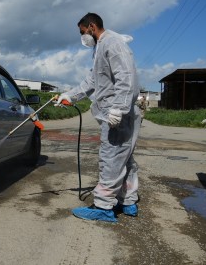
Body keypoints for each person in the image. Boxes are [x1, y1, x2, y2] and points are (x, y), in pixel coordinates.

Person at [55, 12, 141, 223]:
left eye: (82, 32)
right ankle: (128, 201)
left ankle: (103, 206)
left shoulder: (112, 42)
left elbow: (126, 75)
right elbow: (91, 81)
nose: (83, 37)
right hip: (119, 113)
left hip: (117, 114)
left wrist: (118, 108)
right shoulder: (99, 48)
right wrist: (69, 96)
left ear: (91, 27)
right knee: (125, 159)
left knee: (111, 158)